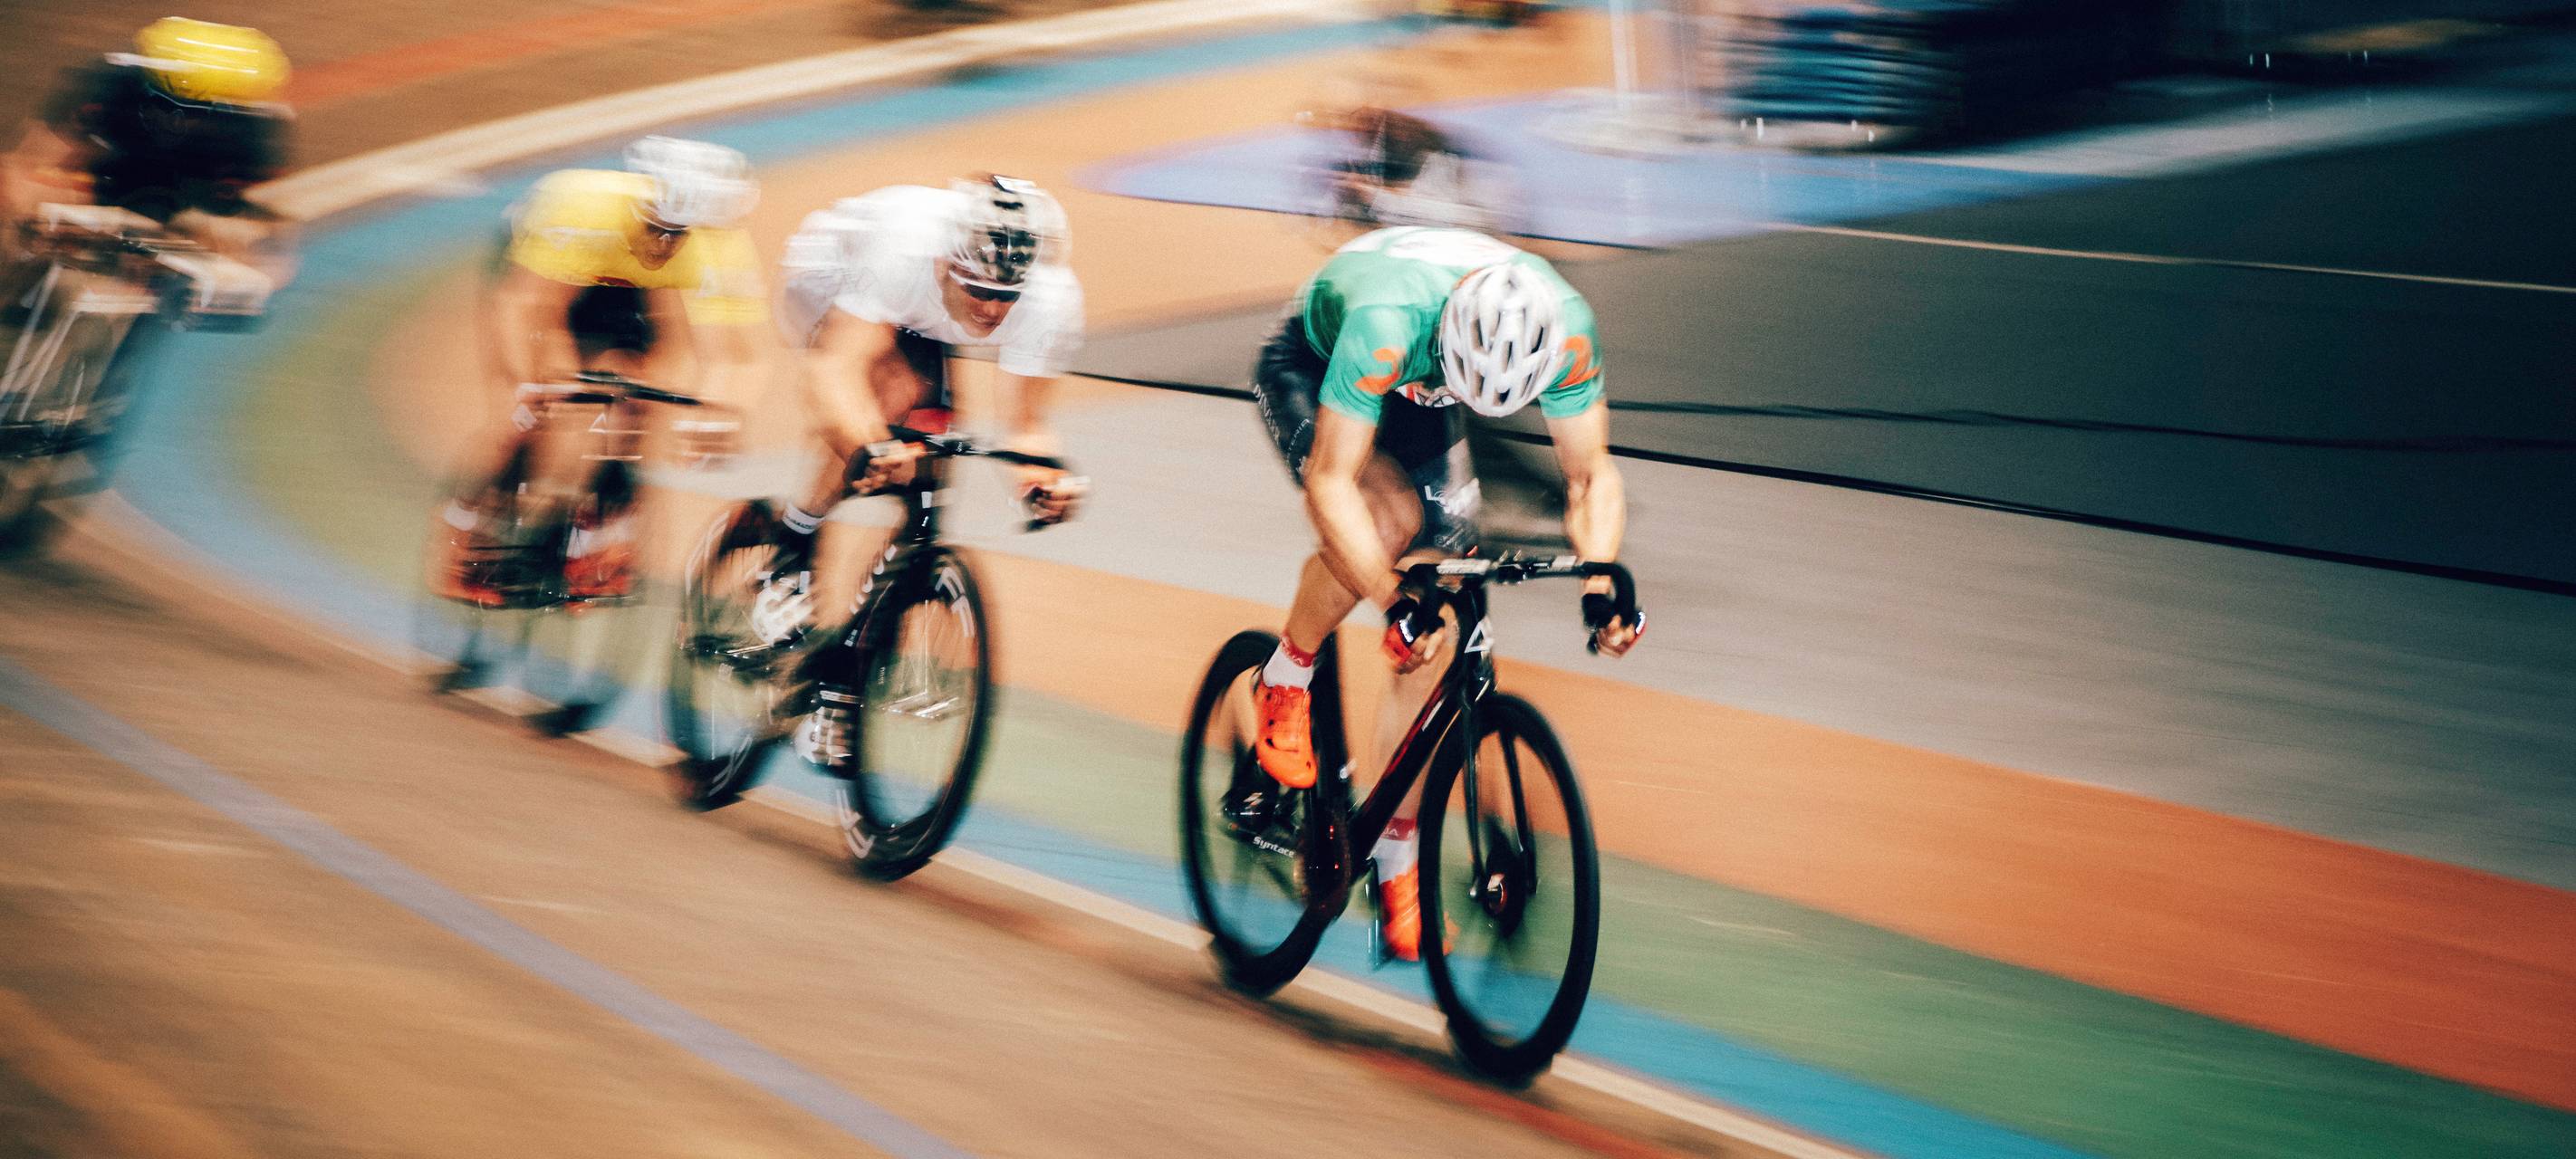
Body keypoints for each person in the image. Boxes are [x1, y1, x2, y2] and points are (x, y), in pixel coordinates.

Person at [1247, 225, 1643, 961]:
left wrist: (1600, 578)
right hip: (1318, 361)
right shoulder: (1385, 324)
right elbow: (1329, 486)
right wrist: (1387, 595)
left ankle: (1396, 856)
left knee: (1441, 619)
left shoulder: (1567, 333)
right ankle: (1286, 675)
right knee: (1388, 521)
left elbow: (1591, 477)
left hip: (1428, 384)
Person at [761, 174, 1086, 758]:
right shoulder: (902, 254)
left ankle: (846, 676)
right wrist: (867, 445)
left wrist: (1044, 480)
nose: (991, 308)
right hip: (832, 276)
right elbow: (832, 370)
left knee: (930, 461)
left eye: (1006, 296)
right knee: (888, 399)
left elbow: (1026, 427)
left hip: (920, 314)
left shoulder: (1050, 298)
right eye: (977, 289)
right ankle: (793, 540)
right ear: (945, 264)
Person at [431, 136, 766, 605]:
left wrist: (712, 417)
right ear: (641, 206)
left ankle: (598, 530)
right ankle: (469, 532)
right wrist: (532, 384)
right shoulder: (584, 209)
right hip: (551, 277)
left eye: (678, 234)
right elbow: (527, 307)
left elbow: (732, 353)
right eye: (657, 228)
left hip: (628, 289)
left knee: (639, 397)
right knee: (524, 408)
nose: (665, 244)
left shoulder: (720, 243)